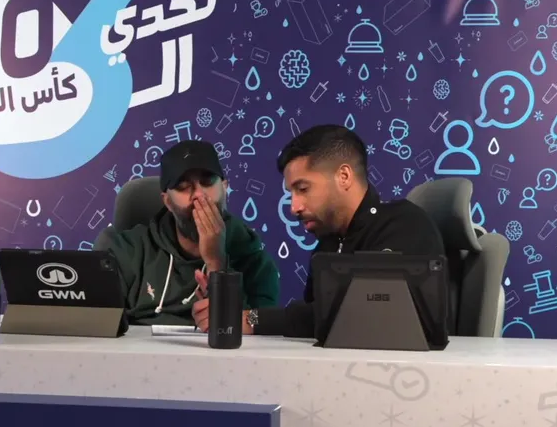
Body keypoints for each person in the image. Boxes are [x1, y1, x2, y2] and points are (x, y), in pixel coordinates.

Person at [243, 124, 445, 337]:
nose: (294, 207)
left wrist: (251, 320)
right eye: (291, 193)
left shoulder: (404, 226)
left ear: (344, 176)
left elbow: (353, 314)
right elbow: (316, 315)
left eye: (303, 189)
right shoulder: (328, 243)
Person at [106, 140, 280, 327]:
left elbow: (262, 324)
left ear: (224, 188)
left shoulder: (255, 262)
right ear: (167, 201)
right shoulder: (127, 251)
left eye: (207, 182)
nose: (199, 194)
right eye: (183, 186)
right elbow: (99, 324)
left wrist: (216, 263)